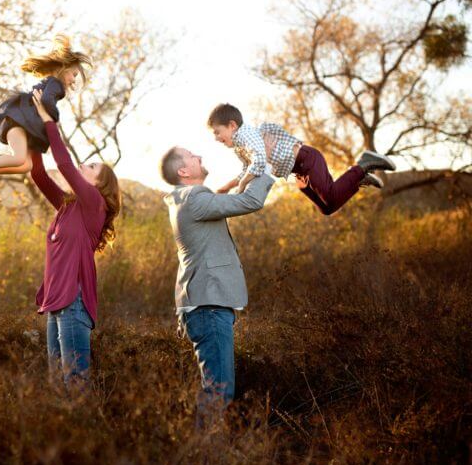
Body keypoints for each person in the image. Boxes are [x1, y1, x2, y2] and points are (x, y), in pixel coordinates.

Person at [160, 145, 274, 425]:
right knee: (219, 391)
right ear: (183, 171)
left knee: (217, 388)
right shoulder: (195, 198)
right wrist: (266, 167)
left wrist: (243, 175)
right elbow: (250, 202)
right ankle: (206, 459)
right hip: (209, 308)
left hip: (203, 306)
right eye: (192, 156)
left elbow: (226, 199)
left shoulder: (185, 200)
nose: (199, 155)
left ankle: (207, 457)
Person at [29, 88, 120, 387]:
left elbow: (65, 165)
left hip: (74, 301)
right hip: (55, 304)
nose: (85, 165)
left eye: (92, 166)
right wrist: (33, 135)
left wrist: (48, 121)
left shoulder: (95, 204)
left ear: (100, 183)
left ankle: (87, 433)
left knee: (75, 384)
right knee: (58, 386)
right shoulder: (67, 207)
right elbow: (39, 175)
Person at [207, 103, 396, 215]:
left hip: (307, 159)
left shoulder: (246, 134)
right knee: (327, 208)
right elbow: (246, 171)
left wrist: (241, 187)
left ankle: (363, 163)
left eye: (217, 132)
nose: (216, 138)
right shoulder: (240, 147)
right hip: (299, 172)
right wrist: (228, 186)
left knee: (330, 197)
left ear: (232, 125)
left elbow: (258, 163)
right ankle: (358, 178)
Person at [0, 35, 91, 189]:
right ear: (63, 68)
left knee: (26, 165)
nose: (73, 80)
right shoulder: (56, 84)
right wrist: (54, 119)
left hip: (18, 122)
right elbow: (46, 100)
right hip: (18, 122)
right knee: (19, 159)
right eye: (74, 74)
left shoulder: (51, 82)